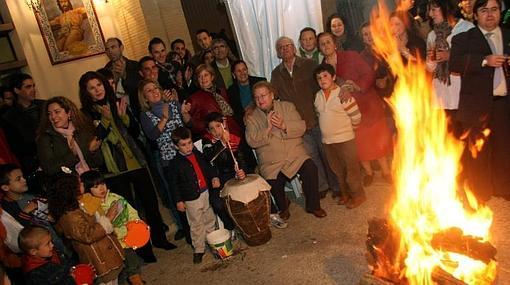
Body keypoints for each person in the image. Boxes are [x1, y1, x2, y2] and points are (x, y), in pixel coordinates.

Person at [79, 71, 176, 256]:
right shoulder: (85, 114)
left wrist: (123, 117)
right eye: (92, 88)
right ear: (86, 92)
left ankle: (160, 239)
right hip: (113, 169)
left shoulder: (116, 102)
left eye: (99, 85)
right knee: (127, 211)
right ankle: (143, 249)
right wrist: (105, 121)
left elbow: (134, 130)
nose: (97, 90)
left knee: (150, 203)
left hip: (135, 160)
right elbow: (93, 144)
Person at [449, 0, 510, 201]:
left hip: (504, 104)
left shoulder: (508, 34)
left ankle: (505, 188)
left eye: (494, 10)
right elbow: (454, 63)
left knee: (505, 148)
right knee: (478, 153)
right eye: (484, 10)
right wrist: (484, 61)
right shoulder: (464, 38)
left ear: (500, 13)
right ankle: (480, 195)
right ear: (475, 15)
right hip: (476, 106)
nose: (490, 14)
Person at [318, 32, 393, 186]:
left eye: (328, 42)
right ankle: (369, 173)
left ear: (335, 43)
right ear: (319, 48)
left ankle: (386, 172)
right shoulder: (322, 68)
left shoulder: (350, 56)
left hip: (367, 103)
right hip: (347, 112)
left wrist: (356, 86)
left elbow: (369, 73)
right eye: (322, 44)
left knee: (377, 140)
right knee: (360, 144)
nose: (326, 46)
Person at [245, 81, 327, 219]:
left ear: (271, 95)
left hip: (294, 155)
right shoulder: (251, 117)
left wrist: (284, 126)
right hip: (271, 161)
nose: (260, 100)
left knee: (310, 168)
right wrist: (268, 128)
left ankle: (314, 206)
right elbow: (251, 141)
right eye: (257, 97)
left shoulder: (287, 107)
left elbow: (301, 127)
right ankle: (283, 206)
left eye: (263, 95)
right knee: (273, 180)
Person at [271, 36, 340, 198]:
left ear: (294, 48)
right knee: (312, 157)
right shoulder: (276, 74)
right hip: (298, 124)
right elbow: (273, 96)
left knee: (328, 155)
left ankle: (337, 186)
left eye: (288, 45)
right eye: (281, 47)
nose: (285, 49)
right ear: (278, 53)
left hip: (317, 118)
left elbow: (324, 85)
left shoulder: (309, 65)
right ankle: (322, 187)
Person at [138, 78, 192, 243]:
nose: (154, 91)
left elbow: (187, 124)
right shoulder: (145, 115)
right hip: (169, 161)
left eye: (156, 87)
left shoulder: (173, 104)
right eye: (149, 90)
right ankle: (188, 231)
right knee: (177, 196)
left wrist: (184, 112)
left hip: (186, 155)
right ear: (144, 97)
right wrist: (164, 118)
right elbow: (152, 136)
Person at [47, 172, 124, 285]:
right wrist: (108, 218)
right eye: (78, 183)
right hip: (98, 259)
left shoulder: (78, 205)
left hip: (104, 254)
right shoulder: (69, 215)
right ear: (70, 189)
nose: (82, 183)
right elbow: (88, 235)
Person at [313, 64, 366, 208]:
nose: (322, 80)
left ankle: (358, 196)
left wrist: (350, 131)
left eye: (325, 76)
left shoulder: (342, 95)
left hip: (345, 140)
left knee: (351, 170)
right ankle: (345, 194)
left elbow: (356, 117)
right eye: (319, 78)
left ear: (334, 77)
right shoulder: (318, 97)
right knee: (338, 171)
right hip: (328, 142)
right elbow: (320, 115)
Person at [80, 170, 146, 285]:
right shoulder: (91, 207)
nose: (101, 188)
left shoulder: (115, 197)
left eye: (102, 184)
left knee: (133, 268)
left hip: (126, 241)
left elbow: (130, 212)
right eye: (96, 186)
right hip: (112, 246)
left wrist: (136, 224)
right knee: (120, 274)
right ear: (88, 190)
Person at [168, 127, 218, 264]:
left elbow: (208, 167)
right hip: (190, 198)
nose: (188, 147)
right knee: (196, 223)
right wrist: (178, 200)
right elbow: (174, 184)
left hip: (205, 192)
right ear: (175, 146)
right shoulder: (175, 163)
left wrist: (213, 176)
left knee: (209, 217)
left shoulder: (198, 155)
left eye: (189, 143)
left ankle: (213, 242)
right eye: (183, 145)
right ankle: (199, 248)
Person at [425, 0, 474, 123]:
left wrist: (450, 56)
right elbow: (430, 69)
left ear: (445, 8)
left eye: (434, 9)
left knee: (463, 133)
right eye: (430, 10)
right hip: (440, 93)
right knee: (443, 135)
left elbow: (475, 59)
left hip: (460, 91)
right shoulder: (432, 35)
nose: (431, 14)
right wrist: (431, 60)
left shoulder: (466, 28)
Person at [202, 112, 249, 232]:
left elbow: (242, 160)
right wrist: (222, 143)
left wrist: (242, 171)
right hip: (217, 178)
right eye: (212, 128)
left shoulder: (234, 139)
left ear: (223, 125)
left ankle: (246, 222)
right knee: (217, 202)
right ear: (208, 131)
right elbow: (208, 158)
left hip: (233, 175)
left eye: (218, 126)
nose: (216, 131)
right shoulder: (207, 142)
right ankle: (230, 227)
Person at [36, 96, 103, 175]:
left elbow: (98, 162)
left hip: (89, 178)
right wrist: (72, 154)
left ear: (69, 113)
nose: (53, 117)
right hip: (67, 184)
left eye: (57, 112)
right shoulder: (45, 138)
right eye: (49, 114)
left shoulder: (82, 131)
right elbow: (49, 168)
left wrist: (93, 151)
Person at [2, 73, 45, 177]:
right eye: (28, 87)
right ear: (17, 90)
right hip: (33, 164)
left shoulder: (44, 105)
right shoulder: (9, 117)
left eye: (33, 86)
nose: (33, 89)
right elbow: (17, 147)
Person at [187, 64, 242, 138]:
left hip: (235, 133)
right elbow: (193, 125)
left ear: (212, 77)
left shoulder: (222, 91)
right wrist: (211, 126)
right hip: (216, 137)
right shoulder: (195, 98)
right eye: (200, 77)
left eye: (206, 75)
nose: (203, 79)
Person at [104, 38, 142, 117]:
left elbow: (140, 87)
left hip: (138, 107)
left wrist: (124, 76)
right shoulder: (104, 72)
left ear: (121, 48)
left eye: (113, 47)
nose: (110, 51)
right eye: (107, 49)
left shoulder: (135, 65)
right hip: (119, 112)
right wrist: (115, 80)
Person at [227, 60, 267, 129]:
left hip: (264, 117)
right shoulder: (231, 91)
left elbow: (269, 101)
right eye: (239, 71)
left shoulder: (260, 82)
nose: (242, 73)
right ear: (234, 74)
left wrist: (252, 107)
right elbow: (236, 113)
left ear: (247, 70)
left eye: (244, 69)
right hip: (247, 124)